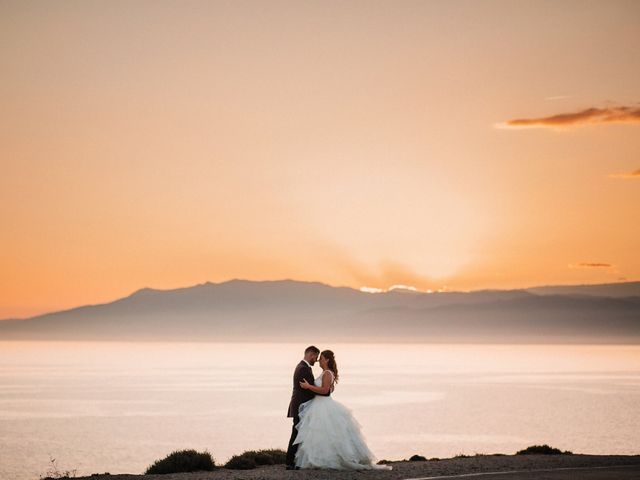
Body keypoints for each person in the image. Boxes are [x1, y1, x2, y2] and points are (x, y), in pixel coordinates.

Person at [292, 349, 392, 470]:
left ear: (327, 360)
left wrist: (309, 386)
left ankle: (329, 460)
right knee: (320, 434)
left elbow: (325, 391)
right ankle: (319, 458)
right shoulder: (325, 372)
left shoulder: (328, 373)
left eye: (321, 358)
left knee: (327, 433)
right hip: (318, 405)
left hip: (323, 406)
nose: (319, 361)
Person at [285, 345, 325, 469]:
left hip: (301, 406)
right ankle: (290, 462)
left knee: (299, 434)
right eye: (316, 357)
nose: (316, 360)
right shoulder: (303, 368)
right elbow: (307, 390)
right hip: (300, 406)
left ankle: (295, 461)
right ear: (311, 354)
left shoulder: (303, 367)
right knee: (296, 434)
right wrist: (324, 392)